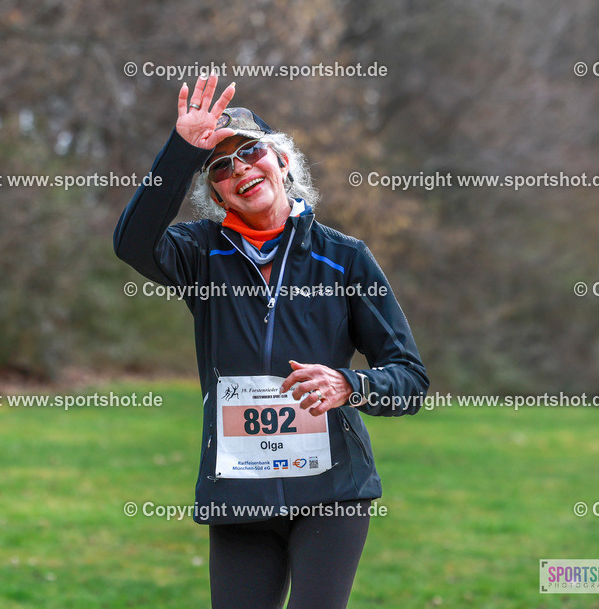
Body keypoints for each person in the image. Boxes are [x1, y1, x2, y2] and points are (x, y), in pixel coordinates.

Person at [113, 74, 430, 608]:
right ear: (215, 192)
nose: (239, 169)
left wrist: (350, 384)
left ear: (282, 162)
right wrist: (181, 151)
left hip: (331, 495)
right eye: (220, 167)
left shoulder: (346, 258)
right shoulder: (200, 254)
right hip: (240, 492)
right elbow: (132, 242)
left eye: (251, 152)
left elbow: (410, 377)